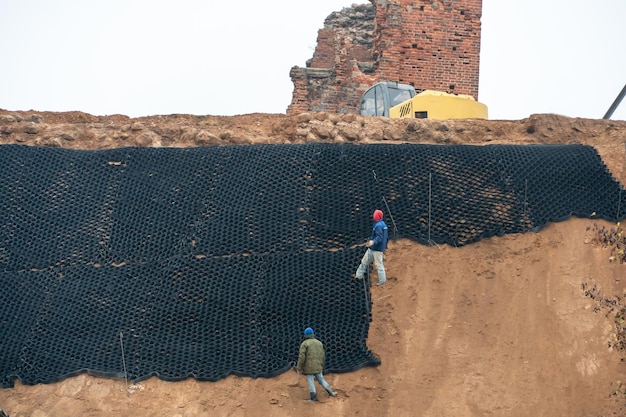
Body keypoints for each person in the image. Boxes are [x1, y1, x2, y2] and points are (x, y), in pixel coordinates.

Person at [296, 327, 337, 402]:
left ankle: (313, 398)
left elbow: (302, 357)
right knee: (321, 379)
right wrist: (322, 365)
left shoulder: (304, 344)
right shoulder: (319, 343)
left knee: (311, 381)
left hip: (309, 366)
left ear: (305, 335)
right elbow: (323, 356)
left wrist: (299, 367)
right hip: (318, 365)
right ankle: (331, 392)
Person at [355, 209, 389, 286]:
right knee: (364, 261)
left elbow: (379, 237)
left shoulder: (379, 226)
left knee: (378, 264)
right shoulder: (382, 224)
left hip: (377, 249)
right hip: (373, 248)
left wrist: (373, 242)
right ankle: (358, 275)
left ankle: (382, 280)